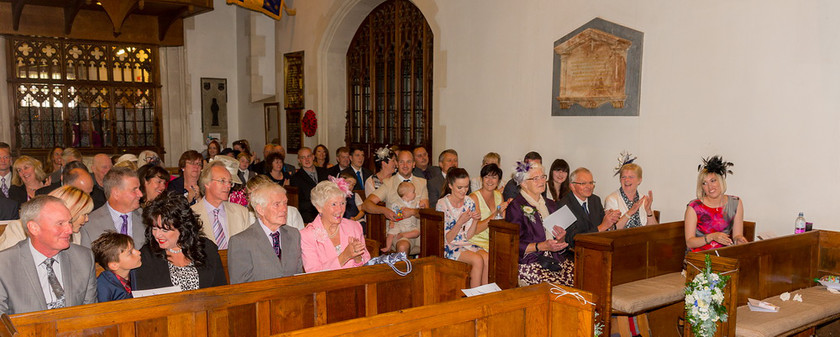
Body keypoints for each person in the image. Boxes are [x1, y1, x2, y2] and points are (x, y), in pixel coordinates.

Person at [0, 195, 97, 314]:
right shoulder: (4, 265)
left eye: (69, 222)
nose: (69, 230)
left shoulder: (83, 258)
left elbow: (89, 314)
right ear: (34, 228)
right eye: (60, 223)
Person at [134, 192, 227, 291]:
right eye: (154, 228)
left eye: (165, 230)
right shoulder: (146, 255)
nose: (157, 235)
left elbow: (220, 290)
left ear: (182, 228)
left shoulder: (206, 248)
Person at [505, 162, 573, 286]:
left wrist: (560, 238)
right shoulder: (516, 206)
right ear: (524, 183)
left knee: (583, 277)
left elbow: (556, 241)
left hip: (554, 259)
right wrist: (541, 246)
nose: (541, 181)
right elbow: (513, 244)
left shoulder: (550, 204)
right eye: (536, 179)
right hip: (531, 262)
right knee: (558, 287)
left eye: (543, 177)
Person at [228, 183, 303, 283]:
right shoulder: (241, 241)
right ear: (260, 210)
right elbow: (241, 287)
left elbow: (298, 277)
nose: (284, 209)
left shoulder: (293, 234)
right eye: (277, 204)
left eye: (285, 203)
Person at [362, 150, 429, 254]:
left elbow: (426, 212)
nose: (405, 165)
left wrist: (412, 212)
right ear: (397, 164)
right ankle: (401, 270)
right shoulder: (389, 183)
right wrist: (384, 210)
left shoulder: (422, 182)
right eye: (402, 162)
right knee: (403, 245)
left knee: (437, 244)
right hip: (398, 231)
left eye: (409, 162)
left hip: (419, 230)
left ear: (414, 164)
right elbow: (366, 205)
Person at [300, 179, 371, 272]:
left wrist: (358, 259)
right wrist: (345, 256)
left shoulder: (354, 227)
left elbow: (368, 266)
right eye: (334, 204)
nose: (339, 210)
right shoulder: (306, 235)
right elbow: (313, 274)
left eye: (342, 203)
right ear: (319, 207)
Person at [436, 168, 488, 288]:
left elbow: (468, 236)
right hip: (448, 246)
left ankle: (485, 295)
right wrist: (460, 222)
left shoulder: (469, 202)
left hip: (465, 243)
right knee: (477, 260)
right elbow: (448, 239)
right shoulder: (442, 204)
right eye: (460, 187)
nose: (464, 191)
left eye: (466, 187)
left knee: (486, 257)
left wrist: (475, 221)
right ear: (450, 185)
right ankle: (474, 298)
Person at [0, 185, 94, 251]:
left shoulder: (75, 235)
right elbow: (6, 266)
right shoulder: (18, 229)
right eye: (84, 214)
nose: (87, 219)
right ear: (70, 211)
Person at [684, 156, 747, 252]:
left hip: (724, 257)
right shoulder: (694, 207)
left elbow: (737, 235)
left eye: (713, 181)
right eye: (704, 183)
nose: (710, 187)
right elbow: (689, 242)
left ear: (721, 181)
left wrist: (739, 240)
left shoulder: (736, 203)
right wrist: (712, 237)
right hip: (699, 258)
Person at [80, 167, 145, 249]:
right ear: (116, 193)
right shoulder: (89, 224)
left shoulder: (146, 218)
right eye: (134, 190)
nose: (140, 194)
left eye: (139, 189)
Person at [191, 160, 250, 249]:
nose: (228, 186)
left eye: (230, 182)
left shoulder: (241, 213)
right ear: (207, 183)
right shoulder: (191, 214)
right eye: (222, 181)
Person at [560, 168, 620, 248]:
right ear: (572, 186)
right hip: (577, 254)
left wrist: (610, 221)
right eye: (583, 183)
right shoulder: (564, 205)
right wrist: (602, 227)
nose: (589, 187)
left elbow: (605, 227)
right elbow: (572, 239)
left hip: (599, 248)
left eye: (591, 183)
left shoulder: (595, 200)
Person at [604, 160, 658, 230]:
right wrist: (630, 212)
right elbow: (612, 229)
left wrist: (649, 211)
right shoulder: (612, 199)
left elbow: (654, 230)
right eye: (623, 177)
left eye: (631, 177)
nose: (626, 180)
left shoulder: (643, 199)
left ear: (639, 180)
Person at [468, 163, 510, 251]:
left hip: (494, 239)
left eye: (494, 177)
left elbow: (501, 222)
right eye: (487, 177)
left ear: (498, 181)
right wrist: (496, 213)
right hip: (477, 241)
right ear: (482, 179)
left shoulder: (499, 195)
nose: (490, 181)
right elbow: (475, 229)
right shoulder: (474, 198)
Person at [91, 232, 142, 302]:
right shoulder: (103, 286)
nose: (138, 252)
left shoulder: (138, 273)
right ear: (114, 265)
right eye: (130, 252)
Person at [290, 147, 329, 223]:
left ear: (313, 157)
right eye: (303, 157)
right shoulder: (296, 178)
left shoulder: (324, 172)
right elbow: (300, 203)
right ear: (299, 160)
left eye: (309, 156)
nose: (307, 160)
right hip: (309, 216)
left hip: (327, 212)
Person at [382, 181, 420, 253]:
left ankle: (403, 235)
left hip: (411, 226)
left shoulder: (415, 202)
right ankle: (388, 247)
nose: (415, 193)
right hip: (399, 225)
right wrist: (392, 222)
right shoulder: (396, 204)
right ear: (406, 196)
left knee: (417, 233)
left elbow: (419, 211)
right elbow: (395, 216)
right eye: (413, 192)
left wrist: (421, 206)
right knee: (391, 233)